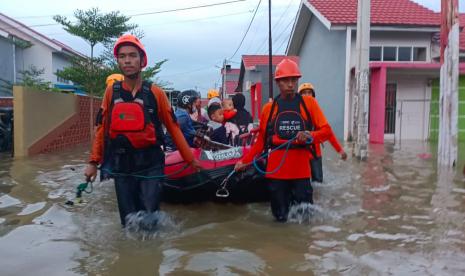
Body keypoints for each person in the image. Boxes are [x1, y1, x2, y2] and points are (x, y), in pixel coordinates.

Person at [84, 34, 202, 228]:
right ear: (118, 61)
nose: (127, 60)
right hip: (122, 165)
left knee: (148, 220)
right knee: (128, 223)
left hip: (151, 163)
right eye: (122, 56)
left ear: (142, 60)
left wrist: (190, 159)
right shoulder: (110, 92)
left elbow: (173, 128)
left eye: (132, 55)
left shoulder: (156, 93)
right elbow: (101, 129)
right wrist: (93, 162)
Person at [235, 59, 332, 222]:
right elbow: (261, 142)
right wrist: (244, 161)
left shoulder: (309, 104)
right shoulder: (268, 109)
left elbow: (326, 131)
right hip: (276, 174)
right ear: (278, 82)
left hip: (301, 172)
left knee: (305, 220)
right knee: (279, 219)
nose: (291, 84)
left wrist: (309, 136)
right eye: (286, 80)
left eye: (294, 80)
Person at [298, 82, 347, 183]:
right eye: (304, 93)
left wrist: (340, 150)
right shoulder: (296, 112)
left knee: (318, 183)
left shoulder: (316, 112)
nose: (307, 95)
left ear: (313, 96)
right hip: (300, 155)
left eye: (309, 93)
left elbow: (328, 132)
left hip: (315, 154)